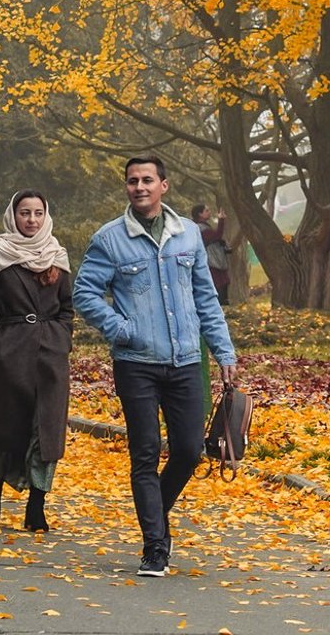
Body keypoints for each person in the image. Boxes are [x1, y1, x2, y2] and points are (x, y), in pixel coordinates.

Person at [73, 155, 238, 578]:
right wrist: (121, 330)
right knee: (144, 453)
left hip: (185, 361)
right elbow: (85, 293)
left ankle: (154, 515)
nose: (139, 187)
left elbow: (206, 298)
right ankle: (155, 547)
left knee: (188, 450)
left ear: (164, 185)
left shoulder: (187, 235)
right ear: (126, 188)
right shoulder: (109, 239)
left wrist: (224, 352)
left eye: (147, 180)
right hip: (136, 364)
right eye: (132, 181)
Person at [0, 191, 73, 531]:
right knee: (5, 425)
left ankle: (36, 506)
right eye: (25, 213)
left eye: (38, 213)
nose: (31, 220)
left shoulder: (56, 255)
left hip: (50, 357)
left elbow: (67, 308)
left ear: (46, 216)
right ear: (13, 216)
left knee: (45, 432)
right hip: (10, 354)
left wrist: (61, 339)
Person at [192, 204, 231, 304]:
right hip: (212, 262)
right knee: (219, 284)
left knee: (222, 283)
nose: (209, 212)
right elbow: (216, 236)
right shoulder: (201, 228)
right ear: (200, 214)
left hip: (214, 260)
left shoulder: (203, 226)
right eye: (206, 210)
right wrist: (221, 220)